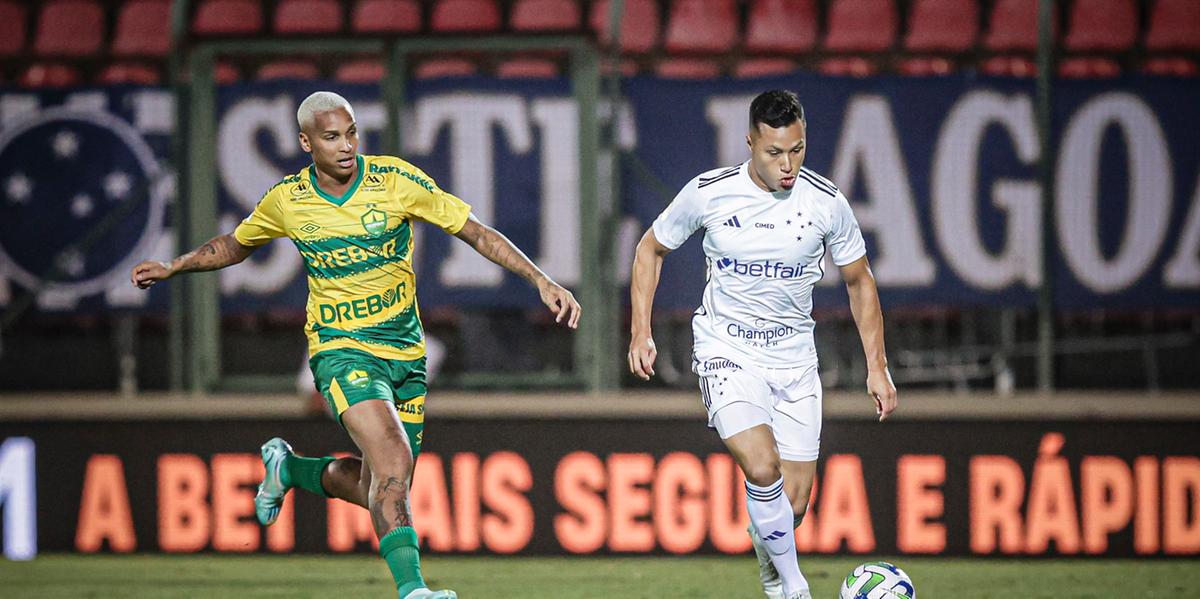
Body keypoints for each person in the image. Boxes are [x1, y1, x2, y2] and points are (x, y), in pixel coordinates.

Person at [131, 91, 581, 599]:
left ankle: (288, 469)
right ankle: (414, 591)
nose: (345, 146)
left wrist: (540, 279)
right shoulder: (288, 200)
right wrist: (176, 266)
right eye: (331, 137)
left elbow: (475, 232)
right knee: (393, 458)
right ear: (305, 143)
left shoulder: (396, 180)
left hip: (405, 355)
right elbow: (236, 243)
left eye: (350, 134)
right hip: (341, 348)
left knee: (379, 486)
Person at [627, 90, 896, 599]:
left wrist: (876, 367)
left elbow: (860, 281)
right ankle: (793, 587)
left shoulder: (826, 203)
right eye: (775, 153)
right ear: (750, 142)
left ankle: (774, 576)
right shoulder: (709, 194)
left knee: (791, 507)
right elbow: (650, 249)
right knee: (761, 465)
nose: (788, 164)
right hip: (726, 350)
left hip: (794, 360)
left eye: (797, 150)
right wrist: (641, 330)